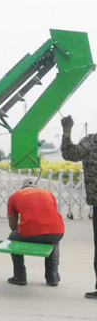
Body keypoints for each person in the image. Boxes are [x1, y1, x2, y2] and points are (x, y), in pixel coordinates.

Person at [60, 115, 97, 298]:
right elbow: (70, 154)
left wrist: (67, 131)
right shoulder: (90, 141)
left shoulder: (91, 141)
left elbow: (70, 154)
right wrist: (67, 133)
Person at [7, 179, 65, 286]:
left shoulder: (14, 196)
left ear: (22, 187)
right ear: (36, 187)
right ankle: (53, 276)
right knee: (53, 242)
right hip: (58, 230)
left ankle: (19, 276)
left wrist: (23, 232)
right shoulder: (49, 194)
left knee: (13, 237)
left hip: (31, 231)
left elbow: (12, 225)